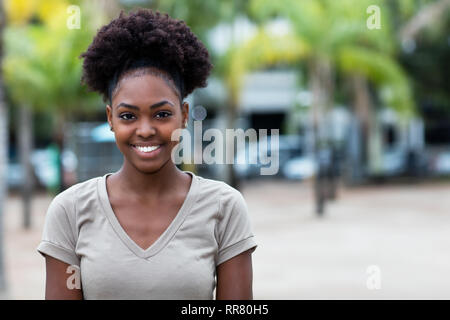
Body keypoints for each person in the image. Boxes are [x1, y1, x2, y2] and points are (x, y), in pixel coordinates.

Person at [37, 8, 257, 300]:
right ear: (110, 119)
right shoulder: (70, 211)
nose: (145, 130)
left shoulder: (224, 207)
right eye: (128, 116)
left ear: (184, 116)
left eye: (162, 114)